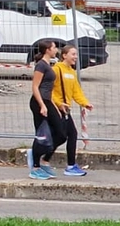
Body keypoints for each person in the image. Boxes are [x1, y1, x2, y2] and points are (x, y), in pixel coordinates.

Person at [52, 44, 92, 177]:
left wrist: (85, 103)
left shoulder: (71, 72)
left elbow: (76, 91)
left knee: (71, 135)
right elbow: (48, 90)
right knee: (61, 136)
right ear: (64, 55)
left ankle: (70, 165)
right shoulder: (57, 70)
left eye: (76, 54)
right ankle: (38, 155)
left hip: (65, 109)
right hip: (57, 109)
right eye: (73, 54)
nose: (76, 57)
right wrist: (58, 103)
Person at [26, 39, 62, 180]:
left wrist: (54, 105)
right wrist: (42, 105)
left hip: (47, 101)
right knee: (41, 133)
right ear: (48, 49)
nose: (56, 50)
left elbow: (49, 89)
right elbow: (35, 87)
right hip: (39, 101)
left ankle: (44, 159)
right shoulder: (41, 65)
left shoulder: (48, 64)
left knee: (60, 133)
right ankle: (35, 167)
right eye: (54, 47)